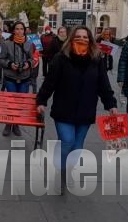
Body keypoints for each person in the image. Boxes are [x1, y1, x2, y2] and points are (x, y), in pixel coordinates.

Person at [36, 25, 118, 186]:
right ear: (71, 38)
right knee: (67, 141)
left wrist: (111, 105)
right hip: (63, 109)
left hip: (85, 111)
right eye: (78, 36)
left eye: (85, 37)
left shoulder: (96, 60)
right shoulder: (61, 58)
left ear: (91, 40)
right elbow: (49, 83)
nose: (82, 39)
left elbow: (104, 85)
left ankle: (67, 169)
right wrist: (41, 101)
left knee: (77, 146)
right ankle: (60, 168)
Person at [0, 21, 34, 136]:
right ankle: (9, 124)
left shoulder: (29, 44)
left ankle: (16, 124)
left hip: (24, 77)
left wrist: (28, 64)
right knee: (11, 101)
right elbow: (1, 59)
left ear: (24, 31)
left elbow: (33, 58)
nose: (19, 31)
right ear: (13, 30)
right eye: (17, 29)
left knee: (20, 103)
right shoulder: (6, 43)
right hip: (10, 77)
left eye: (21, 29)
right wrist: (10, 64)